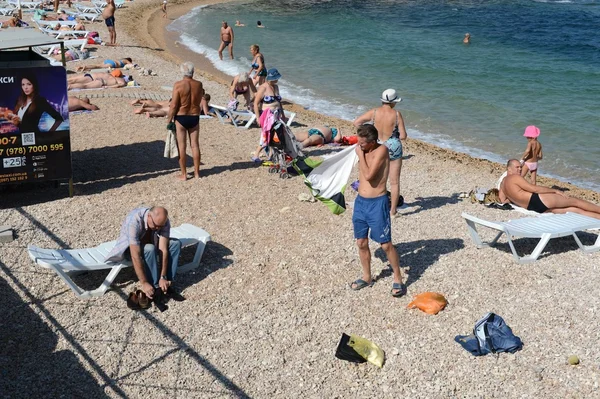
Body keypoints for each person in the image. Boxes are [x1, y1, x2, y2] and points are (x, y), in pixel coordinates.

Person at [350, 124, 406, 297]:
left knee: (385, 244)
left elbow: (369, 176)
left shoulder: (382, 151)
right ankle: (367, 276)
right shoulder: (363, 148)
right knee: (361, 242)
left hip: (377, 203)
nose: (360, 146)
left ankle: (398, 277)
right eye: (358, 143)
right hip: (360, 203)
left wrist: (360, 155)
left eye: (363, 144)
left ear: (373, 142)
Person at [105, 206, 183, 301]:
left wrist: (163, 276)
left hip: (150, 242)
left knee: (175, 244)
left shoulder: (163, 221)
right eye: (156, 225)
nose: (158, 228)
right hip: (129, 249)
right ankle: (154, 287)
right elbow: (135, 255)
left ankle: (167, 283)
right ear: (149, 216)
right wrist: (144, 282)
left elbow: (163, 249)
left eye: (160, 226)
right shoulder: (134, 221)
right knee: (149, 248)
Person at [353, 89, 408, 217]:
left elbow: (357, 122)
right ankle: (393, 211)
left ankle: (370, 200)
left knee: (374, 176)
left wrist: (367, 134)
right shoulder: (396, 114)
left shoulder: (374, 112)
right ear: (393, 102)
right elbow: (404, 136)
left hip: (377, 145)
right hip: (393, 146)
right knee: (394, 182)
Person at [499, 159, 600, 219]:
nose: (520, 169)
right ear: (509, 169)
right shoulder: (515, 177)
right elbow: (534, 189)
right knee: (576, 202)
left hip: (533, 207)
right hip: (538, 200)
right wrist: (555, 190)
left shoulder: (503, 183)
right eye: (517, 167)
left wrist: (516, 198)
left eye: (520, 167)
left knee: (573, 210)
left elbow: (503, 200)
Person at [167, 61, 204, 180]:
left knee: (182, 147)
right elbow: (199, 99)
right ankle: (197, 173)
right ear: (193, 72)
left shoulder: (178, 85)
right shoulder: (199, 84)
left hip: (181, 117)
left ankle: (184, 174)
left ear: (182, 72)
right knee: (195, 145)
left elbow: (173, 105)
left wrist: (169, 120)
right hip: (194, 117)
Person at [252, 68, 286, 162]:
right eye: (275, 78)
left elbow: (279, 102)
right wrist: (258, 118)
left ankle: (271, 155)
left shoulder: (276, 87)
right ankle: (256, 154)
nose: (277, 80)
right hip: (267, 116)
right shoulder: (263, 87)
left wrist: (283, 115)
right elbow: (256, 103)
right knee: (266, 135)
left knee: (275, 135)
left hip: (277, 115)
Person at [67, 72, 131, 90]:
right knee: (85, 86)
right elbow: (119, 85)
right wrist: (108, 87)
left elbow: (118, 85)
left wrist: (108, 87)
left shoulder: (115, 77)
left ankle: (67, 86)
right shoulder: (122, 81)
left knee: (74, 80)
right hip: (102, 82)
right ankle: (69, 87)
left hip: (99, 79)